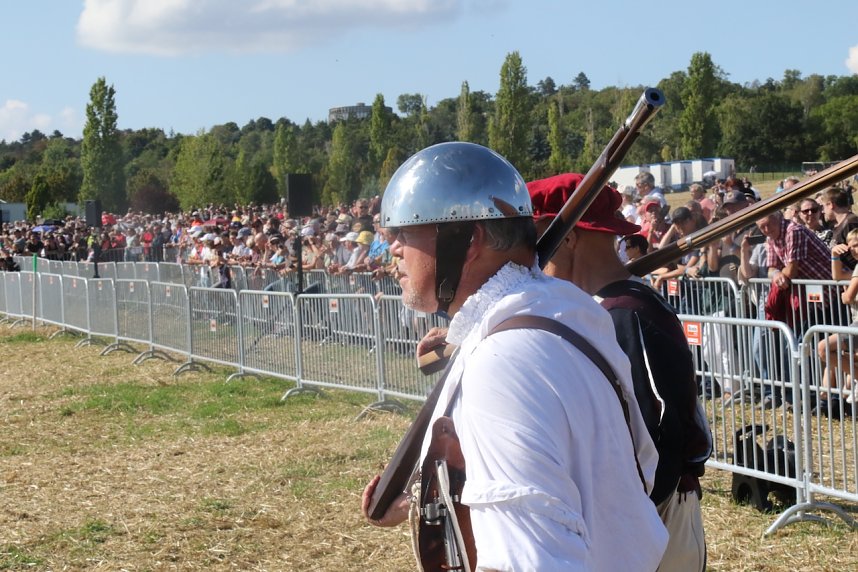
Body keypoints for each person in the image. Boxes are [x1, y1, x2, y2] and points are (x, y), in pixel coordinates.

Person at [361, 142, 667, 570]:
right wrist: (426, 490)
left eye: (406, 233)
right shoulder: (561, 313)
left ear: (468, 241)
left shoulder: (504, 360)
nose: (393, 248)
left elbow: (532, 559)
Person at [527, 173, 710, 572]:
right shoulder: (602, 309)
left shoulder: (625, 314)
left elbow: (657, 436)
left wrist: (626, 529)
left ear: (569, 238)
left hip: (647, 522)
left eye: (539, 242)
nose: (533, 261)